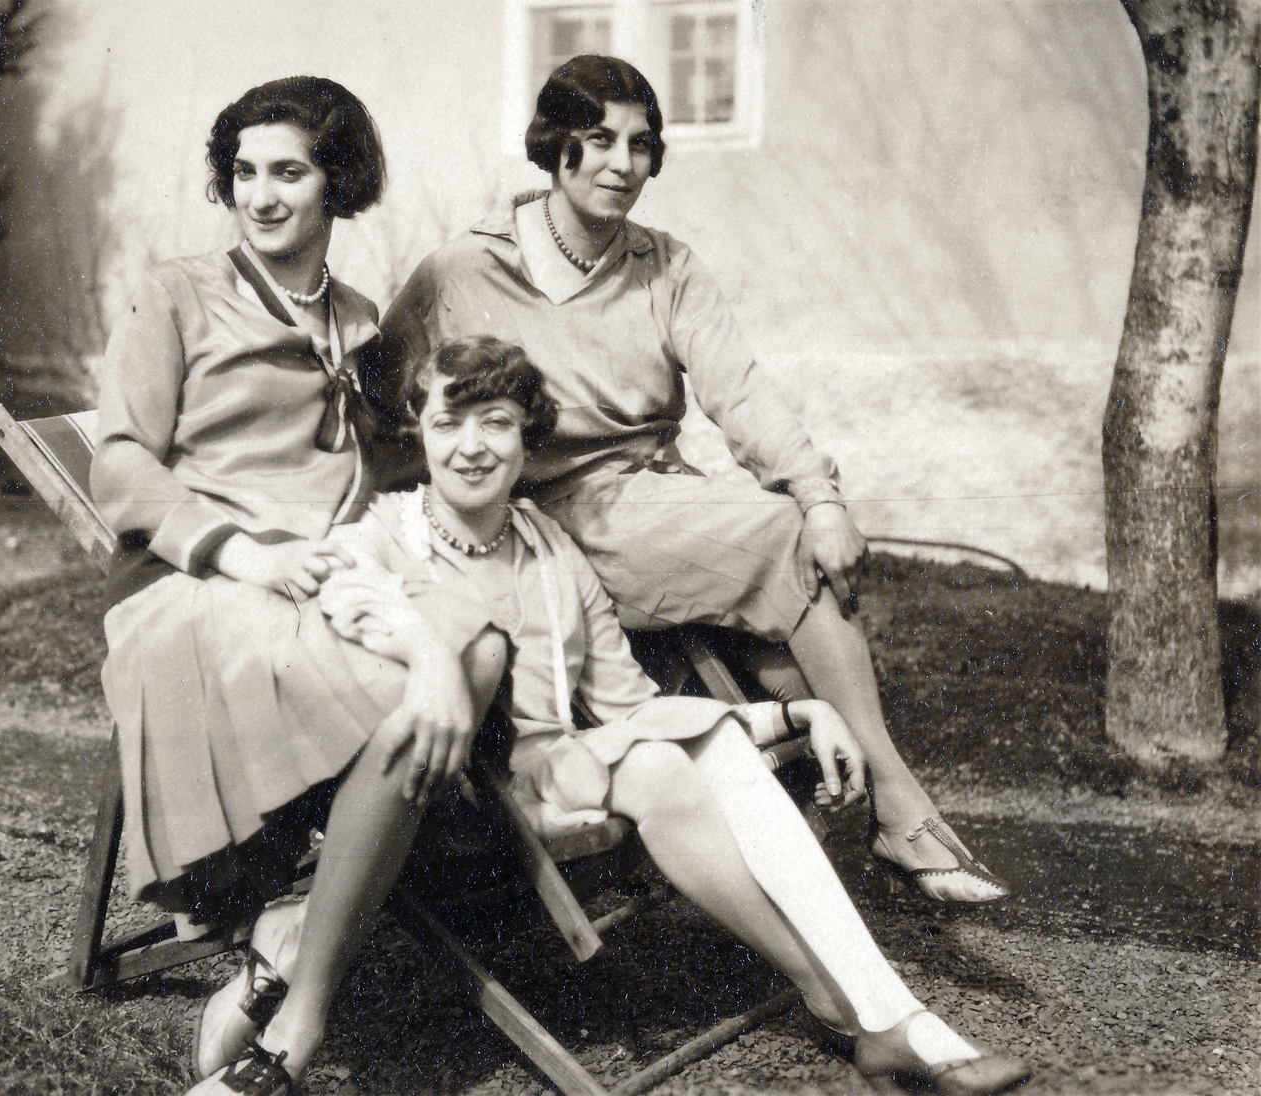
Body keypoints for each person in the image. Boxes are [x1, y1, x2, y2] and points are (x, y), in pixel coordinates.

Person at [368, 54, 1009, 905]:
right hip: (544, 520)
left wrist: (818, 493)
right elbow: (381, 399)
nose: (621, 165)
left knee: (789, 579)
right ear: (555, 147)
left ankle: (821, 840)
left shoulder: (665, 266)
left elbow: (739, 390)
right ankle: (892, 807)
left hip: (653, 497)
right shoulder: (460, 272)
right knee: (784, 544)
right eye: (597, 141)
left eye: (640, 145)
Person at [318, 336, 1031, 1095]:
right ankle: (852, 1001)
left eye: (495, 422)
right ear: (417, 431)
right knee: (658, 762)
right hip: (458, 792)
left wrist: (801, 711)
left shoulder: (548, 545)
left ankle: (877, 1013)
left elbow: (635, 705)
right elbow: (341, 600)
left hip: (566, 767)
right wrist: (422, 650)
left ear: (528, 437)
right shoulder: (383, 536)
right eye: (448, 423)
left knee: (677, 750)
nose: (472, 447)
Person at [89, 77, 505, 1096]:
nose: (262, 195)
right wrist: (248, 553)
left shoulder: (361, 321)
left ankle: (287, 933)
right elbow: (119, 464)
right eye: (244, 173)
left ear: (337, 185)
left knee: (485, 641)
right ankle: (304, 1005)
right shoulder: (178, 291)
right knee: (408, 693)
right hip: (202, 582)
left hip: (330, 575)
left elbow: (391, 465)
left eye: (289, 171)